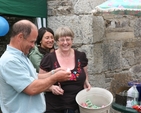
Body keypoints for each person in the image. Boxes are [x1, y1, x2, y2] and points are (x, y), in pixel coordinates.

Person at [0, 20, 71, 113]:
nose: (33, 46)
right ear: (20, 37)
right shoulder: (10, 61)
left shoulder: (21, 56)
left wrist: (54, 72)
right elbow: (31, 88)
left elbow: (34, 76)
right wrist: (55, 77)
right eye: (32, 41)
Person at [39, 26, 91, 113]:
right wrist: (51, 88)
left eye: (68, 39)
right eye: (62, 40)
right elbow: (39, 80)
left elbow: (85, 74)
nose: (65, 42)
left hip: (77, 106)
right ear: (57, 41)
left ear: (72, 40)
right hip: (55, 107)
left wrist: (86, 82)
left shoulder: (81, 56)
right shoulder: (49, 58)